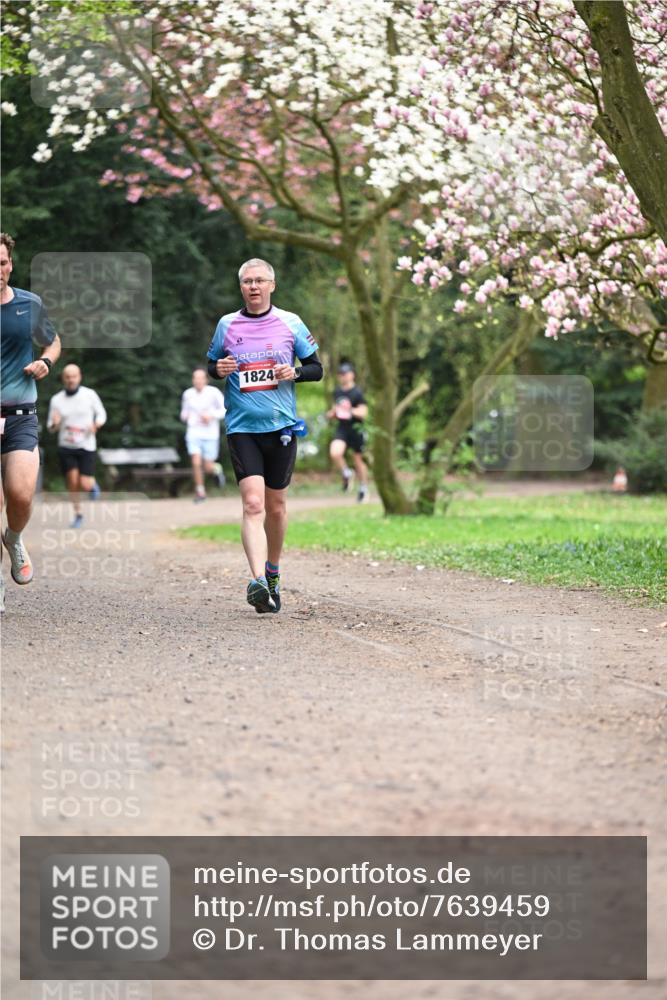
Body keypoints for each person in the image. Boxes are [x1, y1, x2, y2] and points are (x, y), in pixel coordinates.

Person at [207, 258, 323, 614]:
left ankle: (273, 572)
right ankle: (258, 582)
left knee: (276, 507)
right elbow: (211, 365)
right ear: (240, 287)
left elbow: (317, 369)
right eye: (247, 281)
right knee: (253, 504)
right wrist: (218, 368)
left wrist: (295, 372)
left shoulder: (291, 322)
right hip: (242, 428)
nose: (253, 286)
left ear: (272, 285)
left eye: (259, 280)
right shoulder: (227, 324)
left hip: (281, 428)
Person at [0, 232, 61, 612]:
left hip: (21, 414)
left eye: (2, 262)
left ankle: (15, 537)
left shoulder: (28, 304)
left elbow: (52, 341)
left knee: (21, 496)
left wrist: (46, 362)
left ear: (10, 263)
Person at [47, 364, 106, 527]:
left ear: (79, 377)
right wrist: (55, 424)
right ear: (63, 379)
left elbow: (102, 414)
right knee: (72, 481)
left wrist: (96, 424)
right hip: (66, 446)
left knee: (84, 483)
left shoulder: (89, 395)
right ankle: (78, 514)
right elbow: (51, 428)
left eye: (73, 376)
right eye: (67, 376)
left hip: (86, 445)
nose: (70, 379)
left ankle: (92, 485)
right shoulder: (56, 400)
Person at [179, 366, 226, 503]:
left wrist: (211, 416)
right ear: (193, 380)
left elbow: (224, 409)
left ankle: (217, 469)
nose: (198, 381)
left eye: (201, 378)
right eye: (195, 378)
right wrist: (185, 416)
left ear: (206, 380)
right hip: (193, 433)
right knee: (195, 462)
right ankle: (200, 491)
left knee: (208, 467)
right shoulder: (188, 394)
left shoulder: (213, 392)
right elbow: (183, 413)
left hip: (210, 434)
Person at [327, 362, 369, 502]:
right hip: (342, 428)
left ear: (352, 375)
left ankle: (363, 488)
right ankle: (346, 473)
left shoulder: (357, 392)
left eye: (345, 373)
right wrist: (332, 413)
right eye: (340, 374)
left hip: (356, 429)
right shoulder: (337, 392)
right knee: (335, 452)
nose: (342, 377)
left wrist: (349, 410)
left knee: (358, 460)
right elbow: (335, 408)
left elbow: (363, 412)